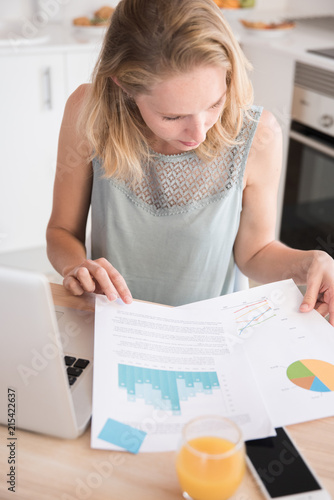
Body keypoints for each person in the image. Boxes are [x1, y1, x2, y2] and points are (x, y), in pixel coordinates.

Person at [46, 0, 334, 324]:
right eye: (172, 115)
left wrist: (309, 263)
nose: (199, 132)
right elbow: (61, 231)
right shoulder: (89, 114)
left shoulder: (258, 136)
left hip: (209, 335)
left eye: (215, 103)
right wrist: (75, 265)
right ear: (123, 85)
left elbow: (255, 253)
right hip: (114, 325)